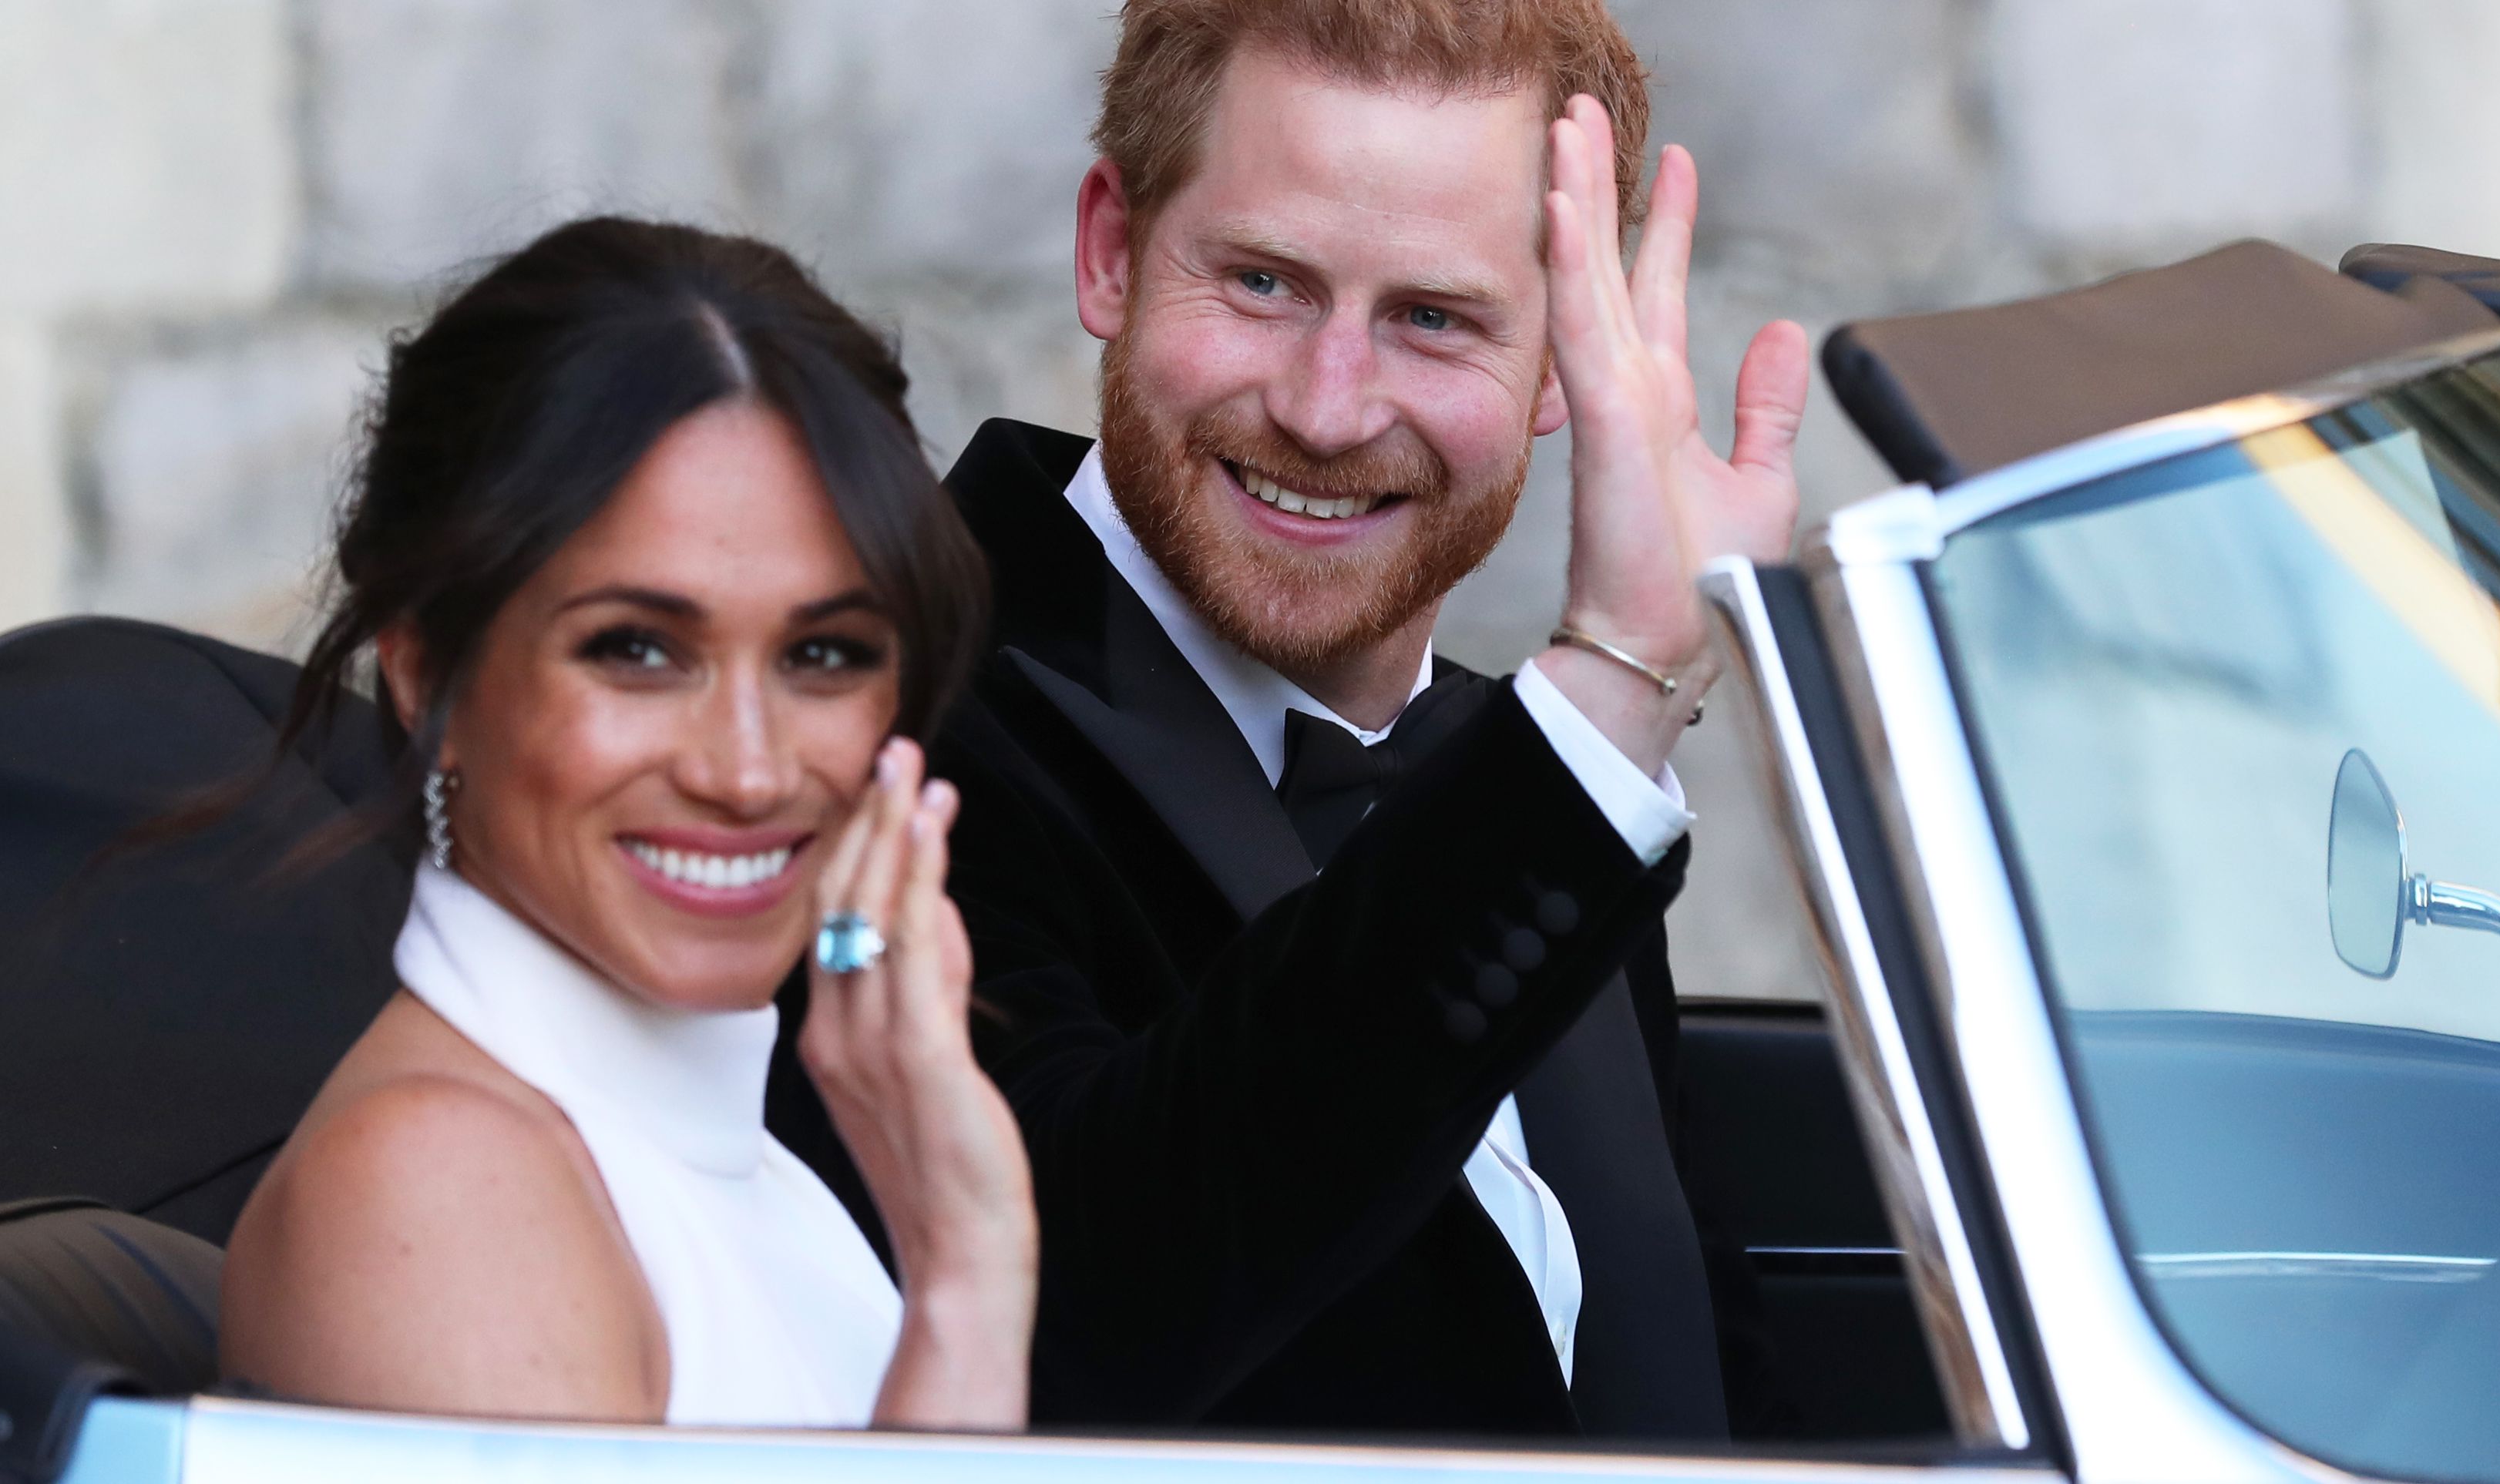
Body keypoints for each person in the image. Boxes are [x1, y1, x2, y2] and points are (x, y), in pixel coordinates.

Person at [764, 0, 1811, 1439]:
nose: (1328, 409)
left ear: (1569, 358)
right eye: (1262, 283)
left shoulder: (1535, 776)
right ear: (1112, 252)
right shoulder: (874, 720)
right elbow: (1057, 1314)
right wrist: (1617, 682)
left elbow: (1700, 1393)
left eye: (1433, 318)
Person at [215, 218, 1037, 1431]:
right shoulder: (436, 1189)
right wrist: (967, 1287)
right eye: (638, 650)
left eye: (824, 653)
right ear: (423, 667)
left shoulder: (738, 1166)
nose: (749, 770)